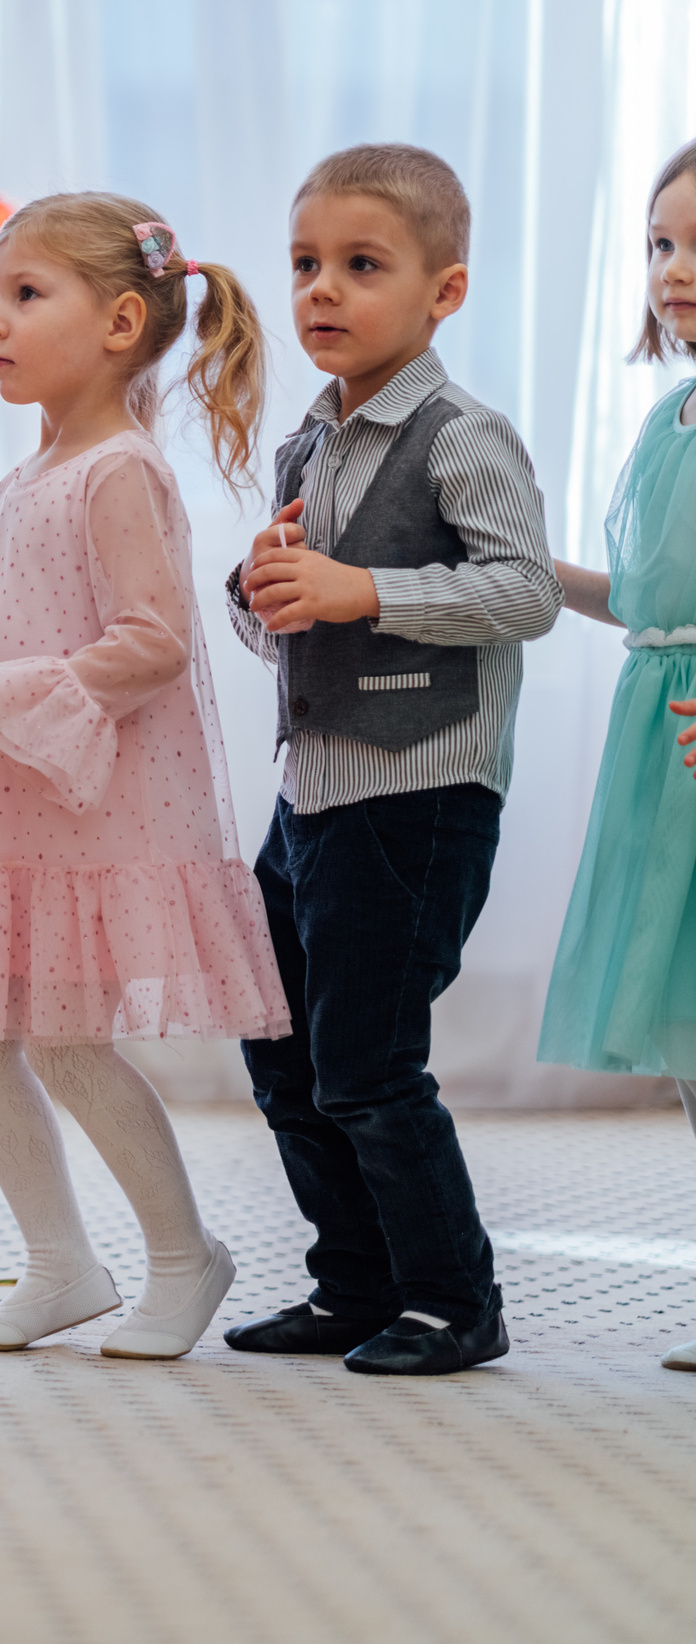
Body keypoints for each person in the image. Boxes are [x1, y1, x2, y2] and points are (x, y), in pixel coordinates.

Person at [0, 192, 288, 1361]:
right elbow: (25, 627)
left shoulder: (120, 473)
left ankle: (186, 1258)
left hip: (100, 805)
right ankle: (60, 1264)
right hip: (20, 799)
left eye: (25, 295)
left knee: (68, 1042)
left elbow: (151, 642)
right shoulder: (29, 473)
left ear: (120, 319)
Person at [228, 143, 561, 1376]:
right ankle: (353, 1281)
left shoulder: (461, 433)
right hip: (308, 787)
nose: (321, 290)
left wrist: (358, 585)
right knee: (281, 1047)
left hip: (416, 791)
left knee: (368, 1060)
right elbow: (285, 621)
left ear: (444, 291)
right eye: (306, 263)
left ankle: (451, 1298)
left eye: (360, 266)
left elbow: (522, 591)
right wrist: (262, 590)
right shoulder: (306, 449)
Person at [537, 136, 696, 1375]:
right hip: (659, 725)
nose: (672, 269)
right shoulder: (667, 418)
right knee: (682, 1013)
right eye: (659, 243)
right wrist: (529, 571)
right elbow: (649, 596)